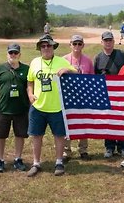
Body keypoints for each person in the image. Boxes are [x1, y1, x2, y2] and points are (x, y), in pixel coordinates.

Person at [26, 34, 78, 177]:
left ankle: (59, 162)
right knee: (36, 135)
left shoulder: (61, 61)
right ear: (40, 48)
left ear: (53, 47)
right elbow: (30, 82)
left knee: (59, 135)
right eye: (43, 46)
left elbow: (77, 71)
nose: (46, 48)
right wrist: (30, 94)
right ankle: (36, 163)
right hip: (38, 107)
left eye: (49, 45)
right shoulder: (35, 62)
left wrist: (67, 70)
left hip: (57, 107)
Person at [0, 43, 30, 173]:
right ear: (7, 54)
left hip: (21, 109)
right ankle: (0, 160)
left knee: (20, 134)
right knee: (0, 136)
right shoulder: (0, 69)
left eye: (15, 53)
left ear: (19, 54)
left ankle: (18, 159)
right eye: (11, 53)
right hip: (3, 109)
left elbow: (30, 87)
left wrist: (30, 107)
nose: (13, 55)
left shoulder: (26, 69)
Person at [94, 31, 124, 158]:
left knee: (120, 120)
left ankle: (122, 147)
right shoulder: (98, 58)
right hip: (105, 94)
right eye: (106, 40)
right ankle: (109, 147)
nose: (108, 43)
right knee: (107, 121)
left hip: (121, 93)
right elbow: (95, 77)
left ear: (114, 42)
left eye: (110, 40)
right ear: (102, 42)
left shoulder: (121, 54)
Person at [62, 34, 95, 161]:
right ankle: (66, 151)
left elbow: (92, 79)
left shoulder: (88, 61)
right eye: (74, 43)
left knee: (83, 123)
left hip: (83, 97)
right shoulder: (63, 60)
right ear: (70, 45)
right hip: (68, 96)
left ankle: (83, 149)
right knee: (67, 123)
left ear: (83, 45)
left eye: (79, 44)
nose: (76, 46)